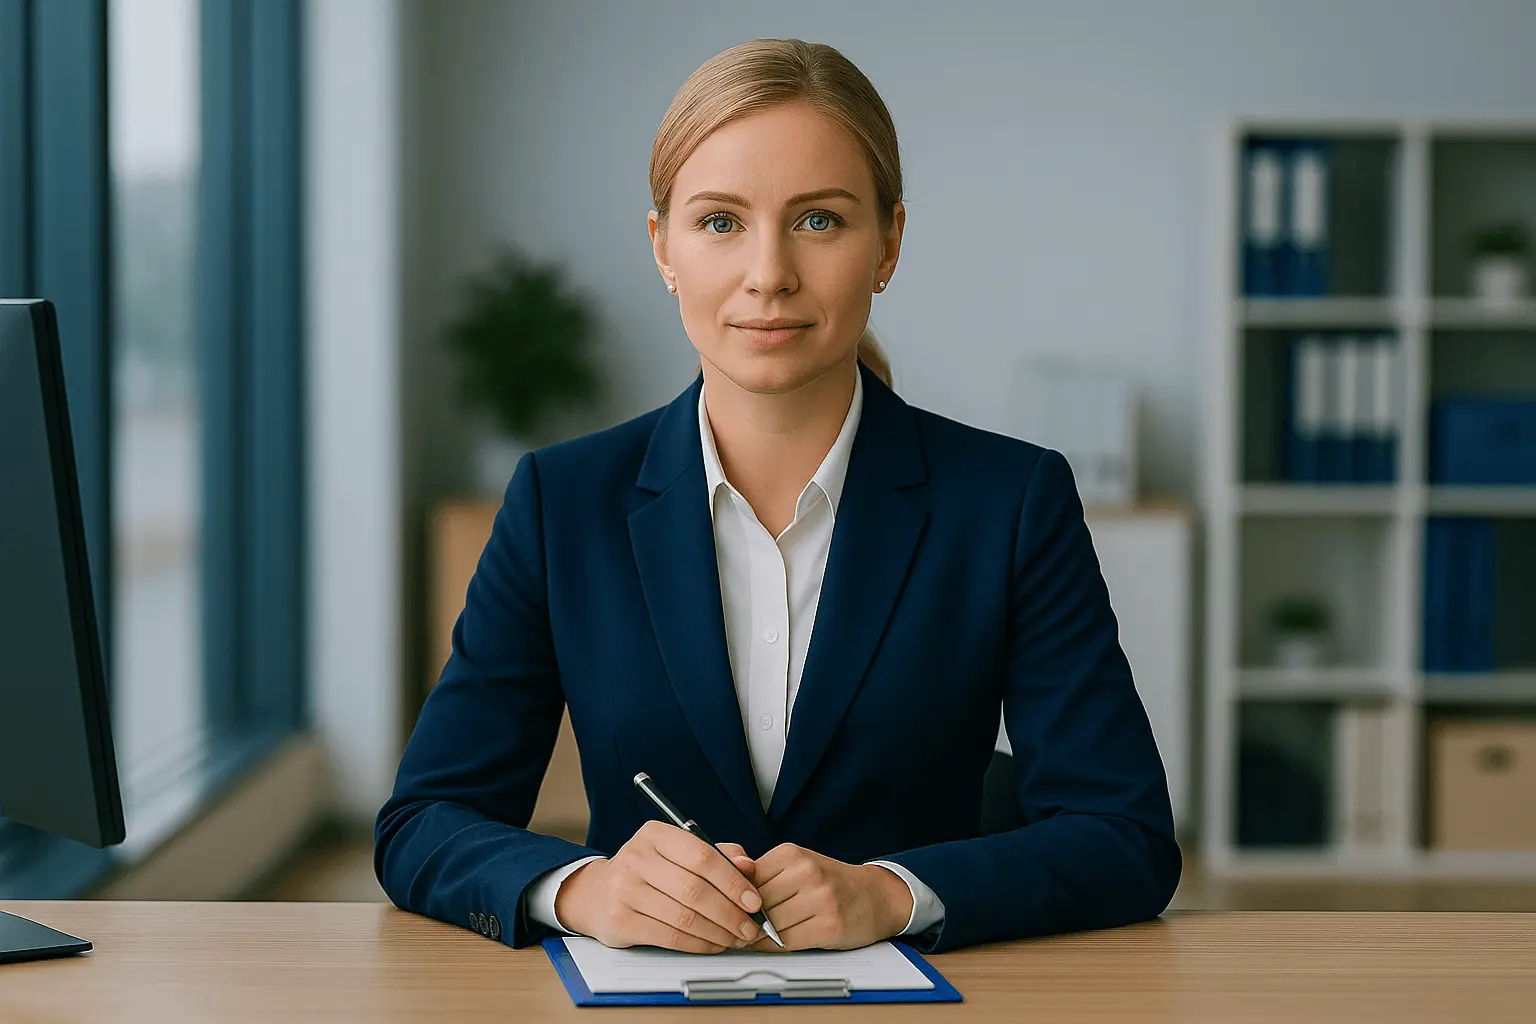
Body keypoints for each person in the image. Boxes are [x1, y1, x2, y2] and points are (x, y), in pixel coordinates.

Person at [375, 37, 1180, 956]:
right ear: (662, 248)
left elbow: (1126, 836)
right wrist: (583, 891)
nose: (769, 274)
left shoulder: (1012, 502)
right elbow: (422, 822)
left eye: (820, 221)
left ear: (889, 243)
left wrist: (895, 893)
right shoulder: (564, 503)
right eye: (720, 221)